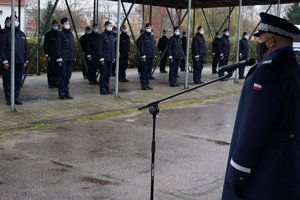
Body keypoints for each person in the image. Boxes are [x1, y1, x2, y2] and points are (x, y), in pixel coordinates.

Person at [222, 12, 300, 200]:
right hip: (289, 169)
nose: (257, 42)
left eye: (260, 38)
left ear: (271, 42)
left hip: (264, 176)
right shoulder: (294, 70)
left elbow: (253, 132)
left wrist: (236, 174)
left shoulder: (267, 74)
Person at [1, 16, 28, 105]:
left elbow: (25, 49)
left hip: (20, 62)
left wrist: (25, 60)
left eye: (17, 20)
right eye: (14, 20)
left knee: (17, 80)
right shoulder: (6, 34)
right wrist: (4, 60)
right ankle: (9, 99)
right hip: (9, 62)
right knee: (8, 81)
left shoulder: (22, 34)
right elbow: (2, 48)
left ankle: (16, 97)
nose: (16, 22)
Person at [57, 17, 76, 100]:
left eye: (68, 23)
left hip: (70, 58)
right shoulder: (60, 34)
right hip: (63, 59)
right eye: (66, 23)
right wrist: (60, 58)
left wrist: (74, 56)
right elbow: (58, 47)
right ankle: (61, 94)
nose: (67, 24)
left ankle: (66, 93)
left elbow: (73, 47)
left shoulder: (71, 34)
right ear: (62, 25)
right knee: (62, 76)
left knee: (68, 76)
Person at [98, 21, 116, 95]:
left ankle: (107, 88)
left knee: (108, 74)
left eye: (111, 25)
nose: (110, 27)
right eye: (108, 25)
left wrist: (113, 57)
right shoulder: (102, 36)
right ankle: (102, 89)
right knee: (103, 74)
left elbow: (113, 47)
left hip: (110, 58)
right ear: (105, 26)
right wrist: (101, 58)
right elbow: (100, 48)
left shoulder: (112, 36)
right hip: (104, 59)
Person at [138, 23, 156, 90]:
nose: (149, 28)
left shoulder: (151, 36)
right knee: (144, 72)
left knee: (148, 72)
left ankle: (147, 84)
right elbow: (141, 47)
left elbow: (153, 46)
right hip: (145, 57)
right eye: (148, 27)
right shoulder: (143, 37)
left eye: (150, 27)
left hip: (151, 56)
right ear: (145, 28)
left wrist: (154, 54)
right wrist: (143, 55)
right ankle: (143, 85)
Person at [43, 20, 60, 89]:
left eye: (56, 25)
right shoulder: (48, 34)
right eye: (54, 25)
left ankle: (56, 82)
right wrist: (47, 54)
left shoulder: (59, 34)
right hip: (51, 55)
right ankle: (51, 83)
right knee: (51, 70)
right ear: (52, 26)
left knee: (58, 69)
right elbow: (45, 45)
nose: (55, 26)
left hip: (58, 55)